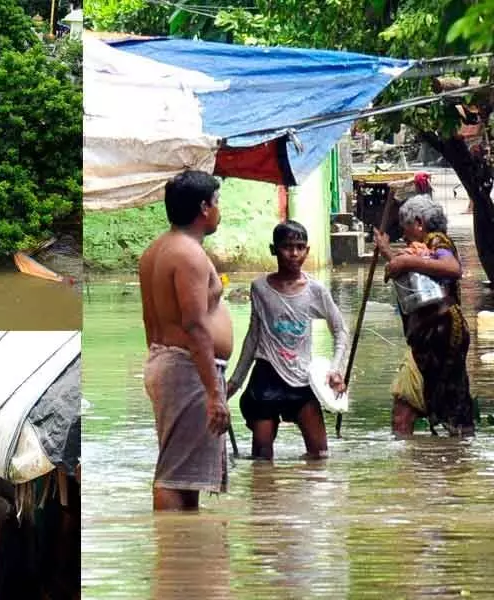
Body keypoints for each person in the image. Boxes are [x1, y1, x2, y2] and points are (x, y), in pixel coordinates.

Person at [139, 170, 231, 512]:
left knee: (184, 474)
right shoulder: (187, 254)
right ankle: (174, 550)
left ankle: (186, 553)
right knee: (175, 474)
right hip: (186, 368)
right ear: (204, 207)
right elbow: (194, 325)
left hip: (170, 363)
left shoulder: (155, 250)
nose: (220, 210)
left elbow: (151, 322)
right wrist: (213, 393)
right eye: (218, 202)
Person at [226, 220, 349, 460]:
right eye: (287, 247)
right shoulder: (260, 288)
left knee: (320, 456)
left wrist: (336, 370)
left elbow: (340, 330)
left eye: (300, 247)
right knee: (261, 460)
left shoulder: (315, 290)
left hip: (302, 379)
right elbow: (253, 337)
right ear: (274, 249)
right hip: (266, 377)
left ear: (307, 250)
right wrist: (234, 383)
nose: (294, 253)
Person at [375, 195, 474, 436]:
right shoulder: (426, 247)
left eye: (405, 227)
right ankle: (435, 463)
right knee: (440, 401)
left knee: (439, 400)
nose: (404, 234)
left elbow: (451, 269)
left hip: (441, 333)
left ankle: (428, 462)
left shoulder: (438, 241)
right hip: (429, 335)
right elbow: (418, 280)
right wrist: (389, 253)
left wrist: (406, 259)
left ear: (419, 223)